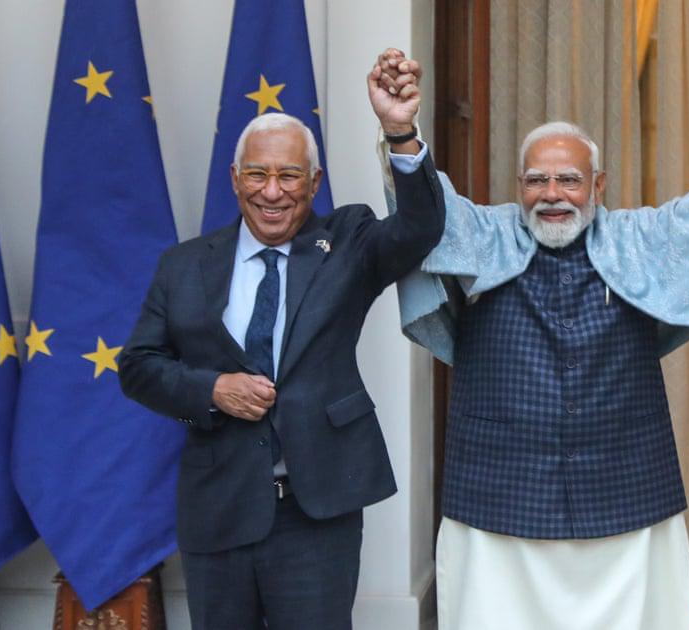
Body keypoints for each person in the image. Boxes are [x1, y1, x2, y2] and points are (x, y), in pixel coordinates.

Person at [373, 50, 689, 630]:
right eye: (537, 180)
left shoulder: (641, 235)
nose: (553, 194)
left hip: (626, 487)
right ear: (518, 185)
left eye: (569, 179)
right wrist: (401, 131)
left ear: (598, 184)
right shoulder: (483, 231)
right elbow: (423, 213)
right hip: (500, 490)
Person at [117, 94, 445, 627]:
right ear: (234, 177)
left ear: (314, 184)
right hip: (218, 504)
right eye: (257, 174)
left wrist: (401, 134)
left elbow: (420, 228)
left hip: (314, 510)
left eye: (289, 176)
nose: (272, 192)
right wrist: (212, 389)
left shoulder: (348, 243)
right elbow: (138, 367)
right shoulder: (183, 265)